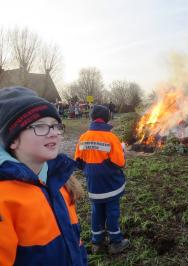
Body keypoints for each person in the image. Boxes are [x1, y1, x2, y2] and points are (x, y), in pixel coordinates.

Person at [0, 87, 87, 265]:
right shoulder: (4, 199)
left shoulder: (61, 182)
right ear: (13, 140)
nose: (54, 132)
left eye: (56, 125)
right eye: (40, 126)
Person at [74, 104, 129, 254]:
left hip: (94, 186)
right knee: (112, 212)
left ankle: (97, 243)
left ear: (91, 118)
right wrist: (122, 151)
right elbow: (120, 162)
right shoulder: (111, 138)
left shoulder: (83, 137)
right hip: (111, 185)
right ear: (107, 119)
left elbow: (78, 162)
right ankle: (116, 242)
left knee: (96, 211)